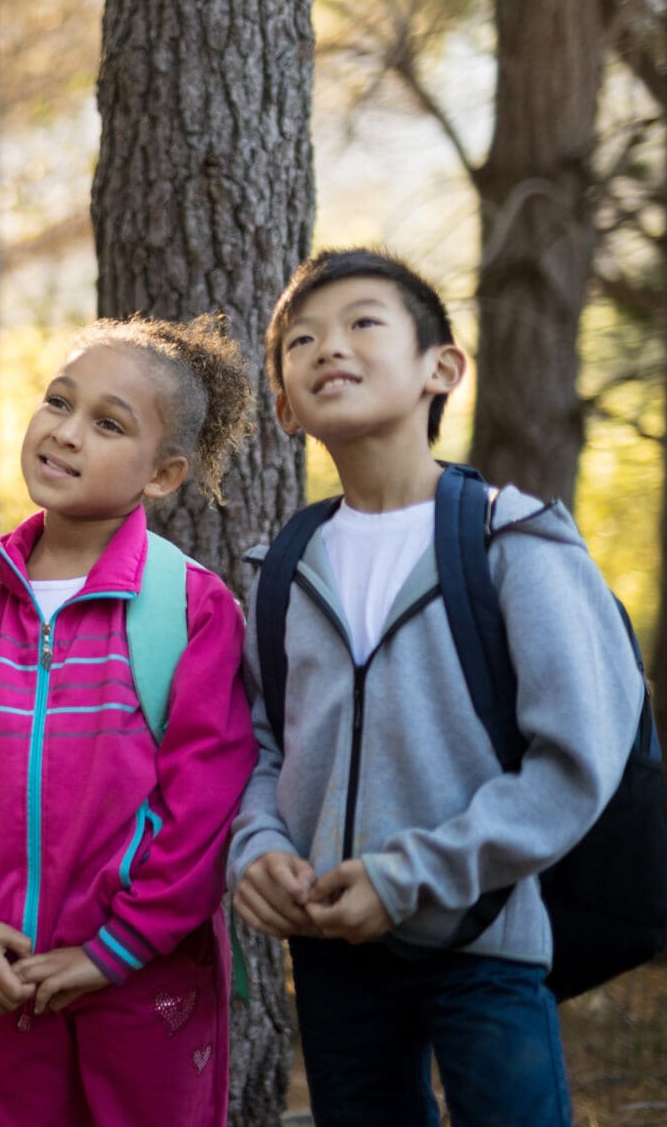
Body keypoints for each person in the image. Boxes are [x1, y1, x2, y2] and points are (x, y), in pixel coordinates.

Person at [228, 248, 643, 1126]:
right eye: (302, 340)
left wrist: (413, 875)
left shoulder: (515, 542)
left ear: (441, 368)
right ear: (285, 407)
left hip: (485, 942)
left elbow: (574, 760)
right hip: (331, 950)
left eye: (363, 323)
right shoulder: (279, 573)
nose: (328, 346)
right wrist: (255, 848)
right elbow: (263, 745)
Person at [0, 314, 259, 1127]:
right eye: (60, 402)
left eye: (107, 423)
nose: (65, 432)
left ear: (163, 475)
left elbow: (203, 811)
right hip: (4, 976)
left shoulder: (188, 608)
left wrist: (112, 950)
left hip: (146, 983)